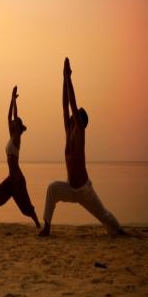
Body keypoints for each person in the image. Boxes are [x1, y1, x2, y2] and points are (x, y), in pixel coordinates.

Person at [39, 58, 124, 236]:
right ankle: (46, 228)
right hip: (70, 188)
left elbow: (71, 104)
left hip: (84, 190)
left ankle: (118, 230)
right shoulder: (68, 131)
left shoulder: (80, 133)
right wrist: (63, 77)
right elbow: (64, 107)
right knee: (52, 189)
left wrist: (69, 77)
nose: (70, 117)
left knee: (105, 216)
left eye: (75, 117)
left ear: (80, 122)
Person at [0, 86, 40, 228]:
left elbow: (14, 115)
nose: (11, 123)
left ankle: (38, 224)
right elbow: (8, 116)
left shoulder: (17, 138)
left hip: (17, 179)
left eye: (14, 123)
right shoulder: (11, 136)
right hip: (11, 178)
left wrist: (14, 100)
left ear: (17, 127)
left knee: (26, 207)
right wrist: (11, 99)